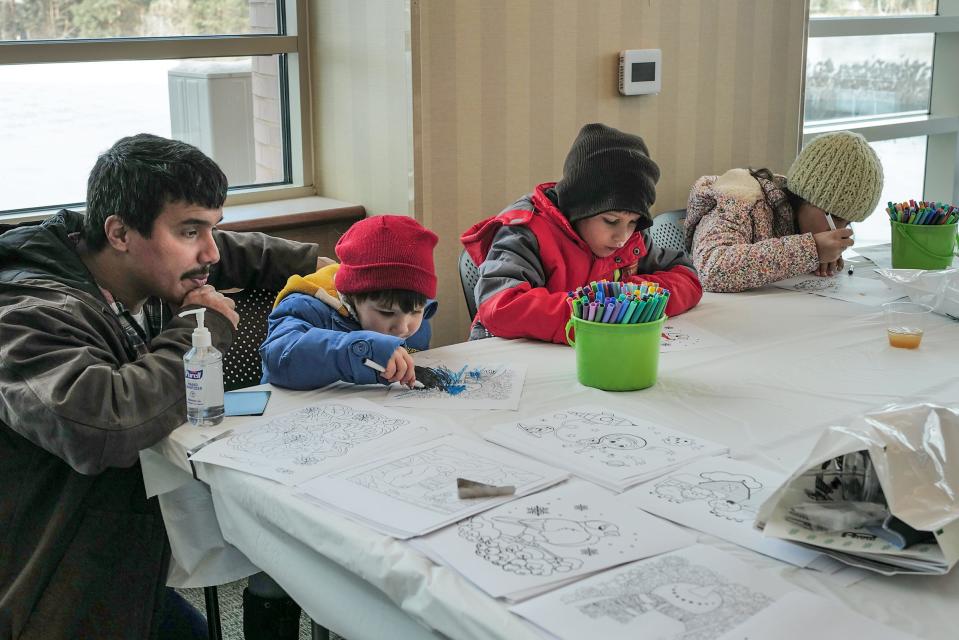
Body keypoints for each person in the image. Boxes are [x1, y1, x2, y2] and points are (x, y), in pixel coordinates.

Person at [0, 134, 323, 639]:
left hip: (127, 560)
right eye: (191, 230)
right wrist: (201, 327)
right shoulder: (26, 318)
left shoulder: (135, 262)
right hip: (52, 590)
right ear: (120, 232)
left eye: (213, 227)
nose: (210, 252)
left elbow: (232, 252)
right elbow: (104, 422)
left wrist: (335, 271)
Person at [460, 122, 702, 344]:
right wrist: (599, 313)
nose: (622, 238)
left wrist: (630, 298)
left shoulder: (629, 236)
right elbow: (500, 308)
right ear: (579, 209)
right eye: (610, 221)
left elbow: (687, 278)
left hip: (581, 355)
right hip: (512, 363)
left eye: (633, 222)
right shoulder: (525, 232)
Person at [685, 130, 883, 292]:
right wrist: (810, 250)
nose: (838, 230)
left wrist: (825, 256)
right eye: (836, 219)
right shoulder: (741, 199)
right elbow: (710, 269)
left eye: (848, 224)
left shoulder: (803, 222)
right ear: (805, 197)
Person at [260, 214, 439, 390]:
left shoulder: (410, 310)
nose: (403, 328)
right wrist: (364, 350)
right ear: (351, 296)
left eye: (416, 311)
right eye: (386, 313)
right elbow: (278, 358)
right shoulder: (307, 307)